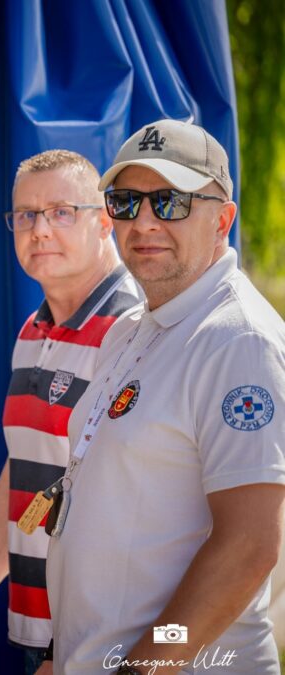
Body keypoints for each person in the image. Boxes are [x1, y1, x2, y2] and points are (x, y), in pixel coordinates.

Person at [45, 119, 285, 674]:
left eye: (171, 202)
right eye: (126, 202)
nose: (145, 221)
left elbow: (248, 549)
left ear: (223, 218)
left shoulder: (237, 339)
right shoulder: (131, 328)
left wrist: (144, 667)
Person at [0, 150, 141, 674]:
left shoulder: (134, 333)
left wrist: (73, 652)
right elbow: (23, 479)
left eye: (62, 211)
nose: (39, 230)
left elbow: (139, 512)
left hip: (105, 647)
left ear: (105, 220)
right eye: (26, 215)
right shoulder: (31, 333)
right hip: (42, 635)